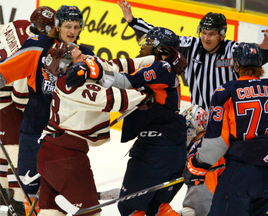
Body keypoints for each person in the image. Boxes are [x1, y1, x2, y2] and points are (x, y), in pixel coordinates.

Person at [65, 26, 188, 216]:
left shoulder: (161, 67)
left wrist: (91, 71)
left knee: (130, 208)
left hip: (156, 151)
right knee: (157, 208)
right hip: (171, 150)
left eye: (147, 43)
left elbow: (125, 81)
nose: (142, 47)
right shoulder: (164, 69)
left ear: (159, 48)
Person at [36, 41, 155, 216]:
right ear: (68, 67)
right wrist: (144, 95)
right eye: (79, 57)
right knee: (90, 214)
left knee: (51, 213)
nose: (85, 57)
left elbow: (117, 65)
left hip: (51, 155)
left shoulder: (86, 66)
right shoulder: (71, 84)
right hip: (66, 160)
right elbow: (111, 100)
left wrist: (154, 60)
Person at [0, 5, 97, 215]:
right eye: (67, 26)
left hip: (66, 141)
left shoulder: (87, 56)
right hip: (35, 130)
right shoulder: (38, 46)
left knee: (53, 202)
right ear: (57, 26)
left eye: (76, 26)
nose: (72, 31)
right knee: (30, 193)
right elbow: (6, 69)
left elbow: (106, 89)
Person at [117, 0, 268, 112]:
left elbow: (254, 60)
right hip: (199, 115)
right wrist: (133, 21)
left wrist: (266, 50)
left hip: (228, 115)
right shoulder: (191, 46)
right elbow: (160, 36)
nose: (206, 38)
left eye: (211, 34)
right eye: (203, 33)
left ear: (222, 34)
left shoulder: (234, 50)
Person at [185, 42, 268, 216]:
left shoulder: (226, 91)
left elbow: (217, 142)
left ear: (237, 64)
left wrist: (197, 164)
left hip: (242, 173)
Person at [0, 6, 56, 216]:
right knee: (16, 149)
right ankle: (18, 203)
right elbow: (20, 95)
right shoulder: (36, 46)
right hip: (7, 101)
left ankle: (6, 191)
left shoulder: (19, 26)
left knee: (8, 149)